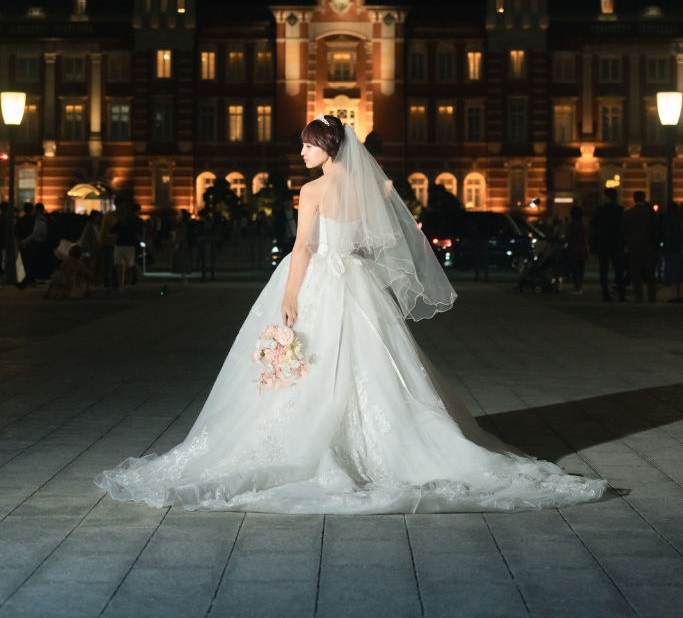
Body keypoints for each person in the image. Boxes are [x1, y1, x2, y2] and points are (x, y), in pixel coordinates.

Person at [96, 114, 606, 515]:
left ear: (327, 147)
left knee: (310, 362)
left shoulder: (312, 190)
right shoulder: (375, 187)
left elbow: (302, 248)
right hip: (359, 282)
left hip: (320, 276)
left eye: (307, 145)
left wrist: (289, 296)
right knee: (378, 363)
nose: (302, 152)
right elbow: (386, 241)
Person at [590, 188, 625, 302]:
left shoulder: (600, 209)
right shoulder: (619, 209)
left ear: (607, 196)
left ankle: (606, 294)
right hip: (615, 241)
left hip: (603, 242)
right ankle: (622, 294)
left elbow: (594, 224)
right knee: (619, 269)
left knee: (603, 270)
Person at [622, 190, 657, 303]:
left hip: (634, 246)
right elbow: (655, 229)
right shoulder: (649, 212)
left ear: (634, 199)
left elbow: (624, 229)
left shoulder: (629, 213)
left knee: (635, 272)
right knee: (650, 272)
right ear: (644, 198)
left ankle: (639, 296)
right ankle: (652, 296)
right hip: (648, 245)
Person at [18, 202, 49, 286]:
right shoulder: (37, 220)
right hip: (36, 243)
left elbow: (35, 234)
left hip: (37, 244)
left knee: (32, 263)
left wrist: (24, 241)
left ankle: (30, 281)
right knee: (33, 262)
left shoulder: (40, 221)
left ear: (38, 210)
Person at [110, 202, 138, 291]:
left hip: (129, 247)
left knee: (129, 267)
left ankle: (128, 283)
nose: (122, 217)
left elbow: (136, 234)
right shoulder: (117, 225)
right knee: (120, 267)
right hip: (119, 246)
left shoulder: (131, 225)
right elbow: (111, 233)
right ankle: (120, 285)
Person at [660, 201, 683, 302]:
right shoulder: (679, 221)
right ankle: (680, 294)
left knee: (672, 273)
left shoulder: (667, 221)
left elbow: (664, 236)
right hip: (679, 250)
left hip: (670, 250)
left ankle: (675, 296)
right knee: (679, 274)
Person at [564, 205, 590, 295]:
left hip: (574, 249)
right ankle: (579, 287)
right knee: (581, 269)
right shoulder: (584, 225)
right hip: (583, 249)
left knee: (575, 270)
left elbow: (568, 237)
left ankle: (577, 287)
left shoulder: (571, 225)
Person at [99, 200, 121, 291]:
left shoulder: (119, 216)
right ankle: (108, 284)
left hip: (118, 244)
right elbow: (104, 230)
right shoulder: (109, 216)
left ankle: (114, 284)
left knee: (115, 265)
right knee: (109, 265)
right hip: (109, 244)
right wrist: (101, 243)